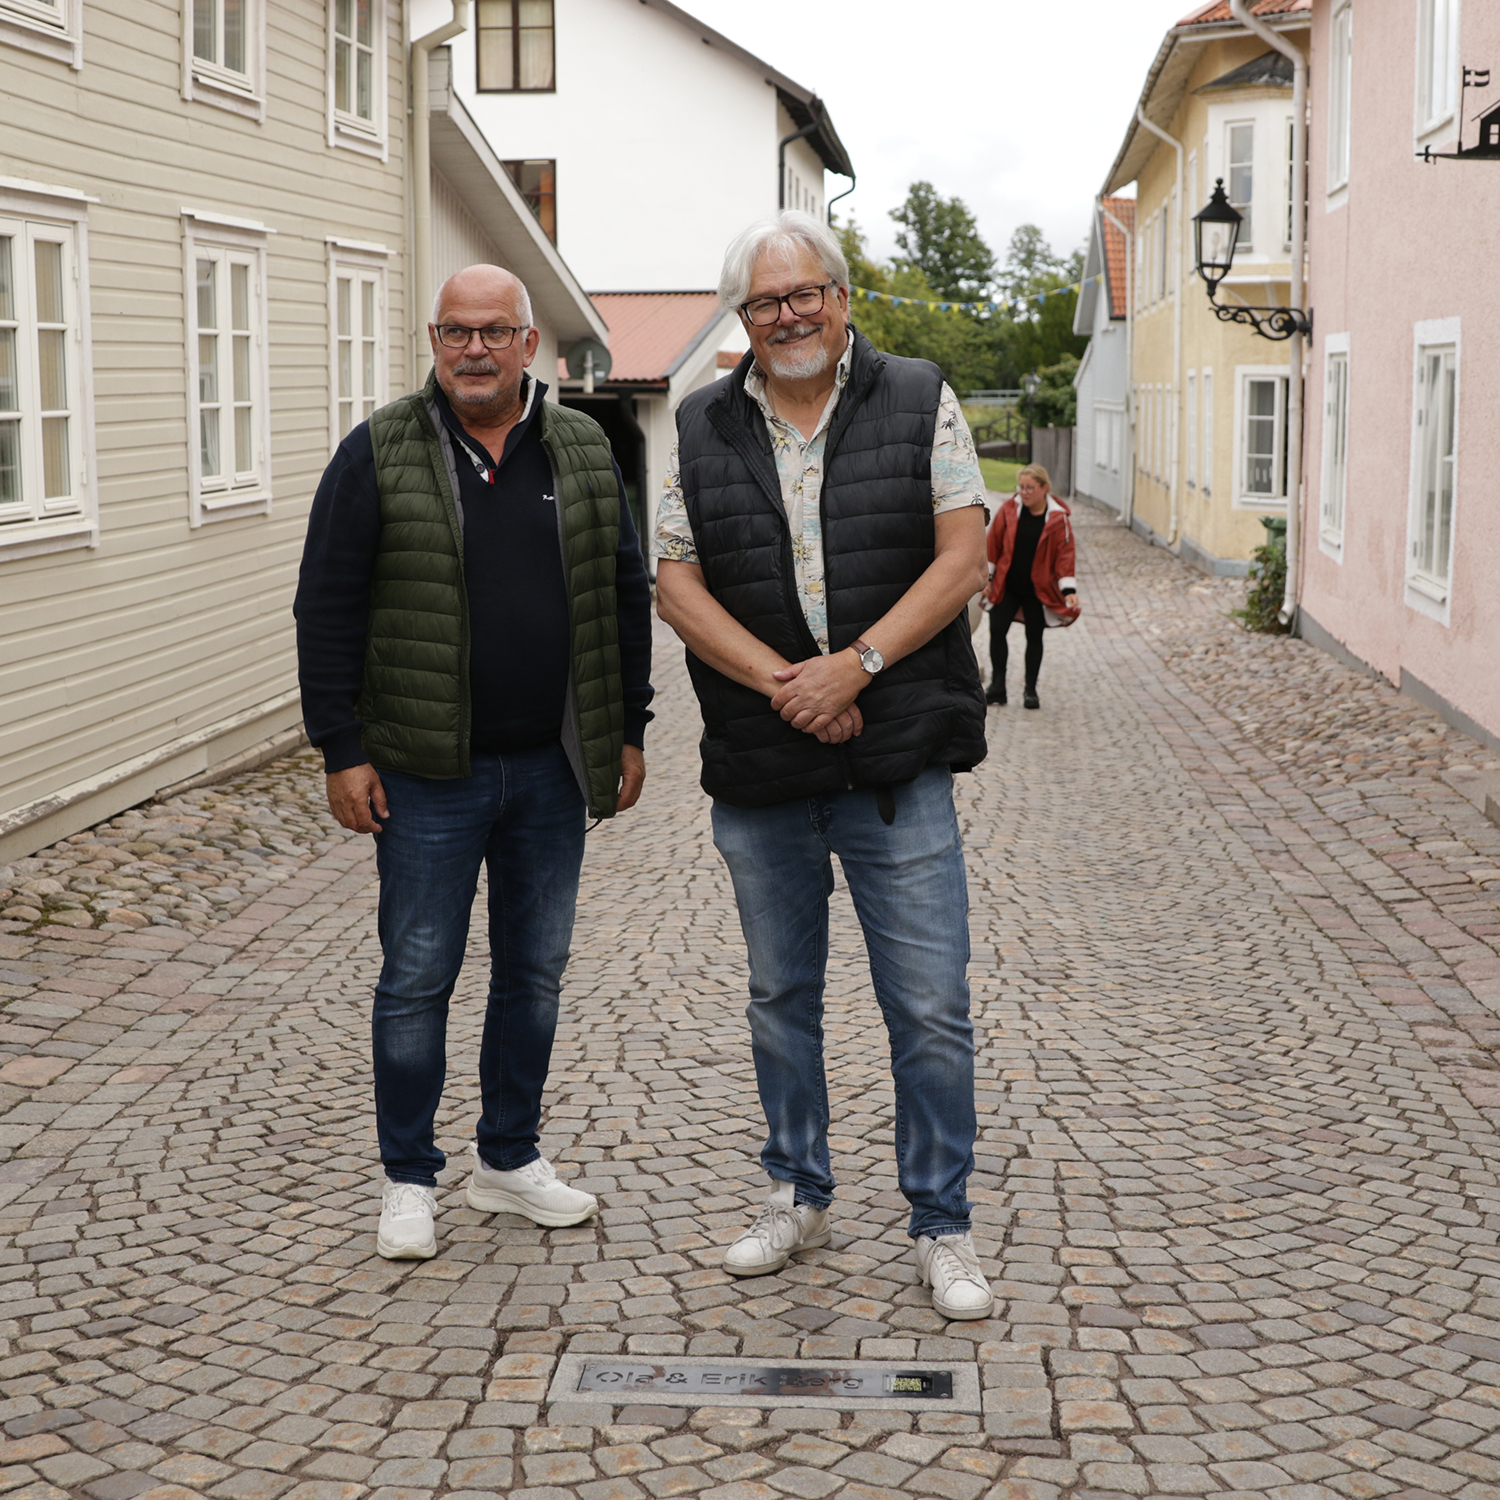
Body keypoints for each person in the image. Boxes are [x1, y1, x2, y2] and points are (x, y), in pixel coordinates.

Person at [654, 210, 997, 1321]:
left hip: (898, 768)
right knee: (776, 1000)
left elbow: (963, 557)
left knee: (931, 1009)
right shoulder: (702, 425)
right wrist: (787, 685)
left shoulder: (918, 395)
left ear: (844, 299)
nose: (789, 315)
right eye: (765, 303)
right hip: (764, 771)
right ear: (742, 322)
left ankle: (942, 1225)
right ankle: (795, 1192)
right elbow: (675, 580)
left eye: (806, 295)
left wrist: (856, 667)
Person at [294, 264, 653, 1260]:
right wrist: (342, 749)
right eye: (457, 331)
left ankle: (507, 1158)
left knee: (532, 974)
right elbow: (324, 607)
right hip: (421, 772)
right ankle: (409, 1178)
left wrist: (628, 730)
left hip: (549, 769)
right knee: (416, 977)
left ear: (530, 343)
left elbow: (623, 593)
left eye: (495, 332)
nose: (476, 349)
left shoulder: (582, 448)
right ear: (434, 339)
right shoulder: (377, 453)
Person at [982, 464, 1079, 709]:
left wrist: (1069, 590)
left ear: (1044, 488)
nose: (1024, 493)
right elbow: (992, 545)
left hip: (1038, 590)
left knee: (1034, 637)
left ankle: (1030, 691)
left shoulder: (1058, 519)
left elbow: (1065, 556)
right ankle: (997, 687)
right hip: (1008, 585)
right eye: (1021, 487)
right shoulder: (1009, 510)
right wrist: (987, 578)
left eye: (1030, 488)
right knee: (997, 629)